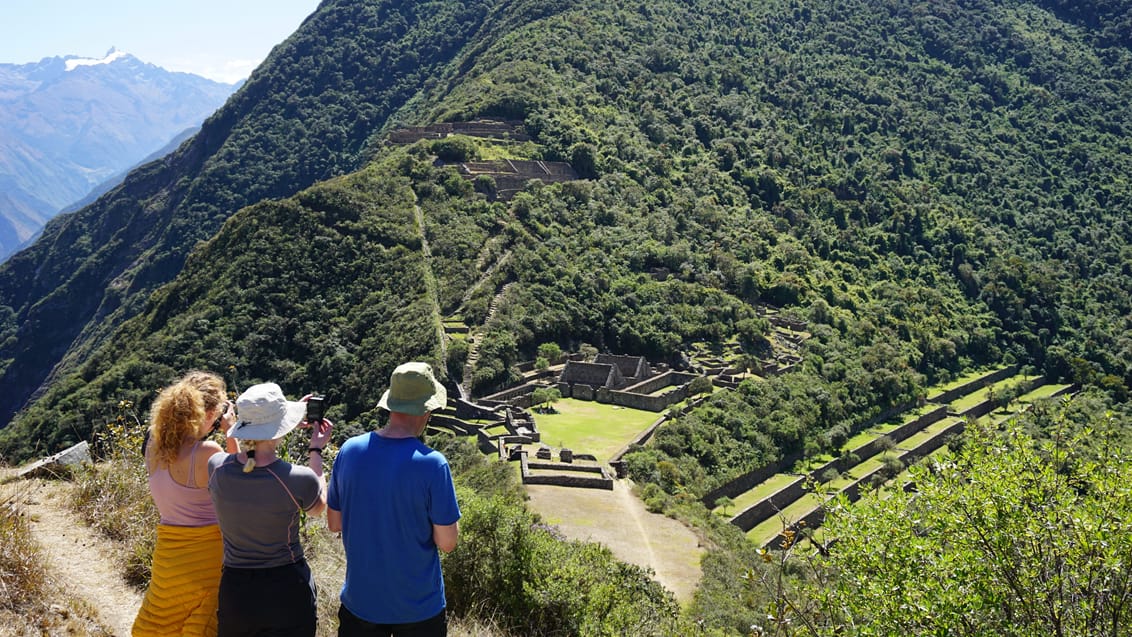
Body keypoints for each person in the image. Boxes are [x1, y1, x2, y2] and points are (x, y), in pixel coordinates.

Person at [328, 362, 461, 637]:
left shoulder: (349, 451)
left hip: (360, 602)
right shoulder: (433, 465)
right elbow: (448, 543)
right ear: (427, 411)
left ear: (391, 405)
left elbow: (334, 523)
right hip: (418, 609)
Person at [208, 382, 333, 637]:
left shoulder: (216, 468)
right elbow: (318, 507)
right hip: (286, 588)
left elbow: (247, 462)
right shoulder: (299, 478)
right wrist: (315, 451)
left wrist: (275, 428)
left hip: (237, 590)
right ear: (279, 429)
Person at [132, 370, 236, 637]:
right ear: (209, 413)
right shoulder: (207, 453)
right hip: (207, 563)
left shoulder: (153, 446)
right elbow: (239, 485)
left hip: (168, 559)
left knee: (161, 623)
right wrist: (231, 432)